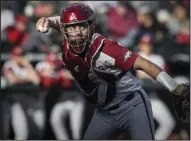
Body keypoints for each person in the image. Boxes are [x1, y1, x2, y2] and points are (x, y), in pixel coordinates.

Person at [35, 3, 189, 140]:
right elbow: (62, 23)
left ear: (90, 26)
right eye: (71, 28)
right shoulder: (67, 42)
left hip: (132, 105)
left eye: (81, 27)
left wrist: (174, 87)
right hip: (105, 112)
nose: (76, 33)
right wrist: (47, 20)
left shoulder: (106, 48)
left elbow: (144, 63)